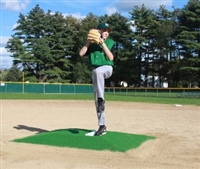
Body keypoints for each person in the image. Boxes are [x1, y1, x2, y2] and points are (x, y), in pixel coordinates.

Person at [79, 22, 115, 136]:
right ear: (98, 31)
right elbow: (81, 53)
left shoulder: (110, 42)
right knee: (97, 98)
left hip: (107, 68)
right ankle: (102, 125)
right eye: (104, 30)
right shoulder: (92, 44)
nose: (106, 32)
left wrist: (102, 43)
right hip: (96, 72)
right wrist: (89, 42)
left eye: (108, 31)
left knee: (98, 71)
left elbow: (111, 57)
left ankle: (101, 99)